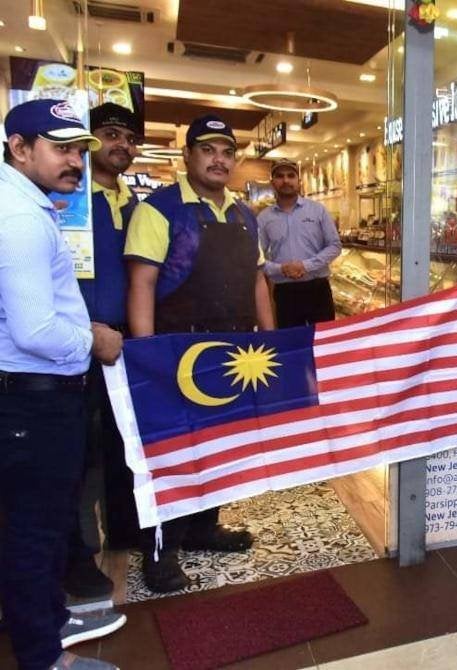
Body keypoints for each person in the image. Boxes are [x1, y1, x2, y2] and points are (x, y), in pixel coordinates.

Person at [124, 114, 275, 593]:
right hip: (176, 351)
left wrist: (270, 339)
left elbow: (257, 281)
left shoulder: (243, 214)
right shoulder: (160, 209)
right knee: (172, 455)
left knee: (220, 446)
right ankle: (160, 551)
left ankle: (204, 528)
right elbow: (142, 284)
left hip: (233, 351)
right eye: (207, 150)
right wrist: (148, 356)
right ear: (187, 155)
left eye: (227, 152)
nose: (218, 159)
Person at [0, 99, 126, 670]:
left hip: (33, 399)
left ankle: (50, 618)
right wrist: (93, 341)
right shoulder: (23, 218)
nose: (75, 161)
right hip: (33, 401)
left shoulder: (29, 204)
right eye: (61, 149)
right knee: (35, 532)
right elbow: (35, 331)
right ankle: (45, 657)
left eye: (79, 150)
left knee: (45, 527)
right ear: (19, 148)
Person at [63, 103, 143, 600]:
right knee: (77, 454)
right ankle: (77, 555)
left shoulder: (137, 205)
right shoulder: (68, 199)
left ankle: (127, 532)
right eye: (111, 134)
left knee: (123, 442)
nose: (123, 145)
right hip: (75, 340)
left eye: (131, 138)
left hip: (127, 339)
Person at [258, 159, 341, 327]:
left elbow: (334, 245)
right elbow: (256, 258)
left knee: (322, 342)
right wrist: (280, 269)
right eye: (280, 176)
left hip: (318, 290)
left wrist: (305, 265)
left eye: (291, 175)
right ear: (272, 182)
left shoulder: (318, 210)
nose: (286, 180)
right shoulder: (264, 218)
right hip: (285, 294)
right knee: (292, 344)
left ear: (299, 180)